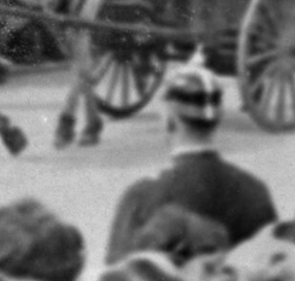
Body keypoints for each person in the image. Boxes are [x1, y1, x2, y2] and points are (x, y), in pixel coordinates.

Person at [107, 64, 277, 257]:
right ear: (218, 117)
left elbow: (114, 279)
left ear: (169, 119)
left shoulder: (140, 197)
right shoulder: (255, 193)